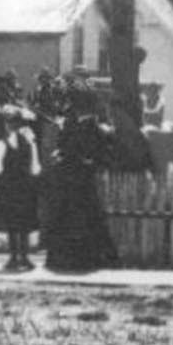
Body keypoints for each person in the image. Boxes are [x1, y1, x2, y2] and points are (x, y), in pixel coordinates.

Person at [42, 89, 118, 273]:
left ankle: (81, 259)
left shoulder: (94, 128)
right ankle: (70, 259)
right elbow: (63, 146)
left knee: (82, 218)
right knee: (73, 218)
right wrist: (59, 154)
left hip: (82, 178)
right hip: (70, 177)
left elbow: (103, 154)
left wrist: (90, 161)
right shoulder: (72, 125)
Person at [0, 106, 42, 272]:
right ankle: (24, 257)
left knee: (12, 224)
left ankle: (13, 258)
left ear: (7, 125)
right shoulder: (30, 144)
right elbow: (35, 168)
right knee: (24, 224)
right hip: (25, 187)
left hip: (8, 188)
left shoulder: (1, 144)